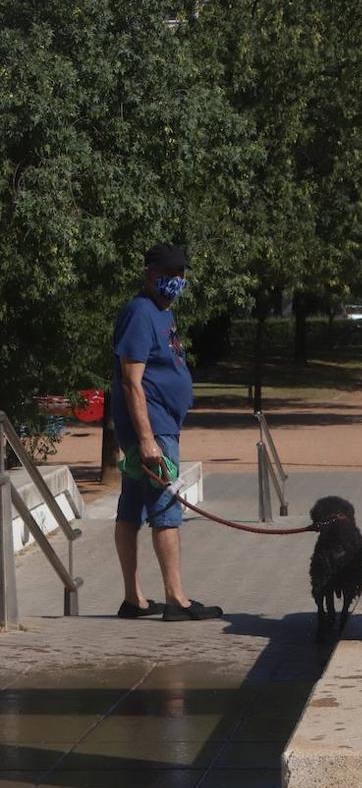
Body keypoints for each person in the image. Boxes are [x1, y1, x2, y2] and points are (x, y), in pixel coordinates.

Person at [110, 243, 222, 621]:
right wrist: (146, 440)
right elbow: (131, 382)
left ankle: (134, 600)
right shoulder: (141, 313)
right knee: (166, 511)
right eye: (169, 274)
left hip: (159, 427)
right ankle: (176, 598)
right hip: (153, 431)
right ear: (150, 274)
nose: (177, 280)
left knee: (132, 509)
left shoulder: (162, 313)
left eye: (181, 274)